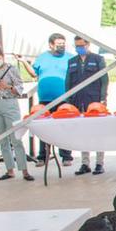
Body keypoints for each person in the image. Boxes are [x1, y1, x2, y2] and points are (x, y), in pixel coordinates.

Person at [0, 44, 32, 181]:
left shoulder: (11, 69)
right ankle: (9, 170)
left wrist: (8, 87)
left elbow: (19, 88)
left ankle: (24, 170)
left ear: (2, 57)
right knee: (2, 138)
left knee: (16, 138)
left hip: (9, 102)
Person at [64, 37, 106, 175]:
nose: (79, 48)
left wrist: (103, 98)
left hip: (94, 101)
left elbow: (104, 80)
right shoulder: (72, 61)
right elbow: (68, 81)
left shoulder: (98, 59)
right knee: (83, 133)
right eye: (77, 46)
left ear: (88, 45)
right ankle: (85, 163)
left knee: (98, 132)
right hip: (78, 101)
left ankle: (99, 163)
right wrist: (68, 100)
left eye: (82, 45)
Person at [32, 33, 73, 166]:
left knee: (63, 127)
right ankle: (43, 156)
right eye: (58, 44)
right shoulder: (42, 57)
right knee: (44, 127)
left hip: (64, 98)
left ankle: (66, 156)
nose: (61, 46)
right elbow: (33, 73)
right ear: (51, 45)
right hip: (45, 99)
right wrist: (23, 62)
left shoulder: (70, 57)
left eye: (63, 44)